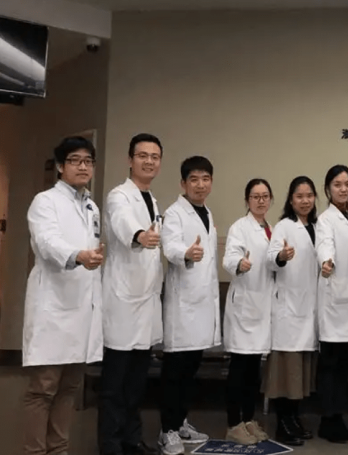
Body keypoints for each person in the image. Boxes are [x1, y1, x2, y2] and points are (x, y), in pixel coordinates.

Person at [22, 136, 104, 455]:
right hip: (53, 307)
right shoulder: (45, 201)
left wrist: (87, 258)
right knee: (43, 389)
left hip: (80, 308)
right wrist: (78, 255)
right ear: (60, 166)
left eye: (88, 161)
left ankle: (59, 450)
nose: (83, 166)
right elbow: (46, 242)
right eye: (75, 160)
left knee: (69, 388)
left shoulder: (91, 207)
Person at [98, 133, 164, 455]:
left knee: (137, 382)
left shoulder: (152, 199)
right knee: (115, 383)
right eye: (142, 155)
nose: (149, 161)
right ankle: (110, 445)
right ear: (130, 159)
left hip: (145, 302)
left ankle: (131, 439)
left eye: (154, 156)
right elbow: (124, 223)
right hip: (123, 302)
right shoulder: (118, 196)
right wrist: (139, 235)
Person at [158, 156, 219, 455]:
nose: (200, 185)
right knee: (175, 372)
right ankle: (167, 430)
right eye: (194, 179)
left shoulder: (206, 212)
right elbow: (169, 246)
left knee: (190, 369)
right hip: (182, 307)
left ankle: (180, 421)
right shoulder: (174, 213)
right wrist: (186, 253)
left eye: (205, 179)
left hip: (201, 305)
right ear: (183, 183)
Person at [264, 176, 320, 447]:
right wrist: (281, 257)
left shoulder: (318, 227)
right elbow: (270, 258)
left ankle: (294, 419)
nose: (305, 200)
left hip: (309, 309)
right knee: (285, 373)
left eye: (309, 195)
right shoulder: (285, 226)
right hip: (288, 310)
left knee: (300, 374)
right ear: (291, 200)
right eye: (299, 196)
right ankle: (282, 424)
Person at [221, 178, 275, 445]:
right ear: (247, 200)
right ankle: (234, 424)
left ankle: (249, 420)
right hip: (244, 306)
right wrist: (239, 264)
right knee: (239, 369)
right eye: (255, 196)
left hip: (262, 306)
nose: (261, 201)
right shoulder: (239, 227)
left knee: (254, 370)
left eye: (265, 196)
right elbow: (229, 257)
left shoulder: (271, 229)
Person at [315, 165, 348, 443]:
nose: (343, 189)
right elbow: (325, 245)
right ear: (328, 189)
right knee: (330, 364)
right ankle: (328, 419)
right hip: (334, 299)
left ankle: (338, 416)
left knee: (344, 364)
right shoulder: (325, 219)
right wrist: (327, 261)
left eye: (347, 184)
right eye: (337, 184)